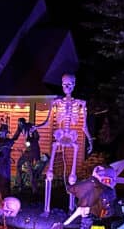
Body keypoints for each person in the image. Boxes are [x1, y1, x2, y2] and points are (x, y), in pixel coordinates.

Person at [36, 72, 93, 214]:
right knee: (49, 173)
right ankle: (46, 209)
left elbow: (84, 126)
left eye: (69, 84)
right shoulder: (56, 103)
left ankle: (71, 207)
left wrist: (90, 140)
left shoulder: (81, 104)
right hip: (60, 135)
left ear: (74, 85)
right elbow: (47, 121)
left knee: (72, 177)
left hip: (72, 137)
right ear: (61, 85)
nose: (67, 87)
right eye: (64, 84)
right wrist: (36, 127)